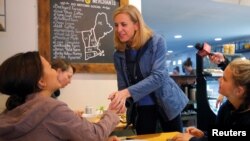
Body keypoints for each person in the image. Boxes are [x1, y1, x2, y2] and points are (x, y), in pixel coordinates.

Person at [0, 51, 120, 141]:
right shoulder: (51, 109)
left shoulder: (11, 111)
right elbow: (95, 135)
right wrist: (112, 113)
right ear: (41, 82)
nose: (55, 71)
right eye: (50, 68)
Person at [108, 5, 189, 135]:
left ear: (136, 25)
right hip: (143, 107)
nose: (119, 29)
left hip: (167, 102)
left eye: (123, 24)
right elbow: (123, 85)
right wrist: (120, 100)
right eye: (116, 25)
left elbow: (158, 77)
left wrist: (126, 92)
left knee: (176, 138)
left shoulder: (157, 41)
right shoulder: (118, 54)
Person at [172, 58, 250, 141]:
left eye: (224, 79)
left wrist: (192, 140)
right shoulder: (227, 108)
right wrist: (204, 135)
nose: (219, 80)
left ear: (239, 91)